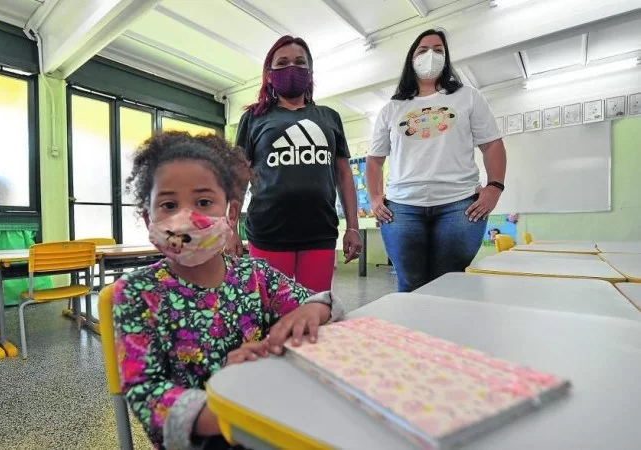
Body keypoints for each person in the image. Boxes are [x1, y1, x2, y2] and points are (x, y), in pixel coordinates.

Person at [113, 131, 344, 450]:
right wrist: (229, 411)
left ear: (231, 214)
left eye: (204, 202)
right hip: (208, 432)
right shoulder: (136, 293)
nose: (186, 218)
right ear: (147, 217)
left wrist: (313, 310)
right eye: (168, 204)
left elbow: (323, 305)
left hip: (270, 412)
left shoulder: (256, 275)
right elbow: (144, 392)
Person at [366, 29, 507, 292]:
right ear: (411, 58)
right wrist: (375, 199)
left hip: (460, 205)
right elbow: (374, 161)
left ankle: (442, 333)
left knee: (448, 285)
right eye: (423, 50)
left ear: (447, 58)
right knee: (409, 284)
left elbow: (492, 144)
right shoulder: (392, 108)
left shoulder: (468, 97)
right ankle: (408, 335)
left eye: (438, 50)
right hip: (402, 207)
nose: (431, 55)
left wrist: (495, 187)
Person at [226, 35, 362, 292]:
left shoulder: (329, 117)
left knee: (315, 310)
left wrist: (352, 228)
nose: (292, 68)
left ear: (310, 72)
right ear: (269, 74)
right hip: (269, 232)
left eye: (300, 62)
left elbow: (344, 175)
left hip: (319, 232)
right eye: (282, 62)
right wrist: (230, 227)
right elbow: (239, 175)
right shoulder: (254, 118)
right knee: (272, 315)